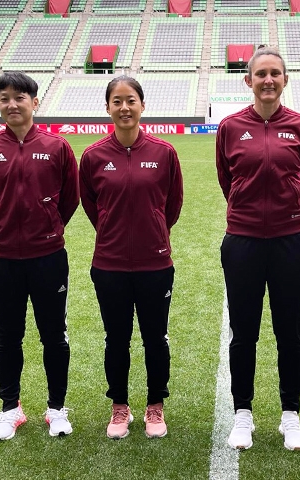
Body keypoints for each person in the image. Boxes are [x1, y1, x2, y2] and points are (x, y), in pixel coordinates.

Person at [216, 46, 300, 451]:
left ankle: (290, 415)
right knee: (244, 333)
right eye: (261, 74)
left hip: (290, 241)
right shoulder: (229, 127)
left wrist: (283, 213)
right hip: (242, 242)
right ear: (249, 81)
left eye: (276, 73)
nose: (268, 80)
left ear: (285, 79)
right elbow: (228, 180)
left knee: (289, 333)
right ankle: (243, 414)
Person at [0, 72, 79, 441]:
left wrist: (47, 228)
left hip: (48, 257)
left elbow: (70, 199)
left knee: (54, 336)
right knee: (7, 337)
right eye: (4, 98)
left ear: (35, 102)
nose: (12, 104)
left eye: (19, 97)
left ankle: (56, 409)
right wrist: (6, 229)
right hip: (1, 259)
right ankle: (10, 409)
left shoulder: (57, 147)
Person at [79, 76, 183, 440]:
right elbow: (91, 205)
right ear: (108, 107)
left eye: (131, 100)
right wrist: (112, 232)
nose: (125, 107)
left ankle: (155, 406)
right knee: (116, 338)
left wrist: (153, 232)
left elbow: (172, 205)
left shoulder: (164, 152)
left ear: (142, 105)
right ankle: (119, 406)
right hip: (109, 265)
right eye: (117, 101)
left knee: (156, 338)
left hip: (156, 263)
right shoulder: (93, 156)